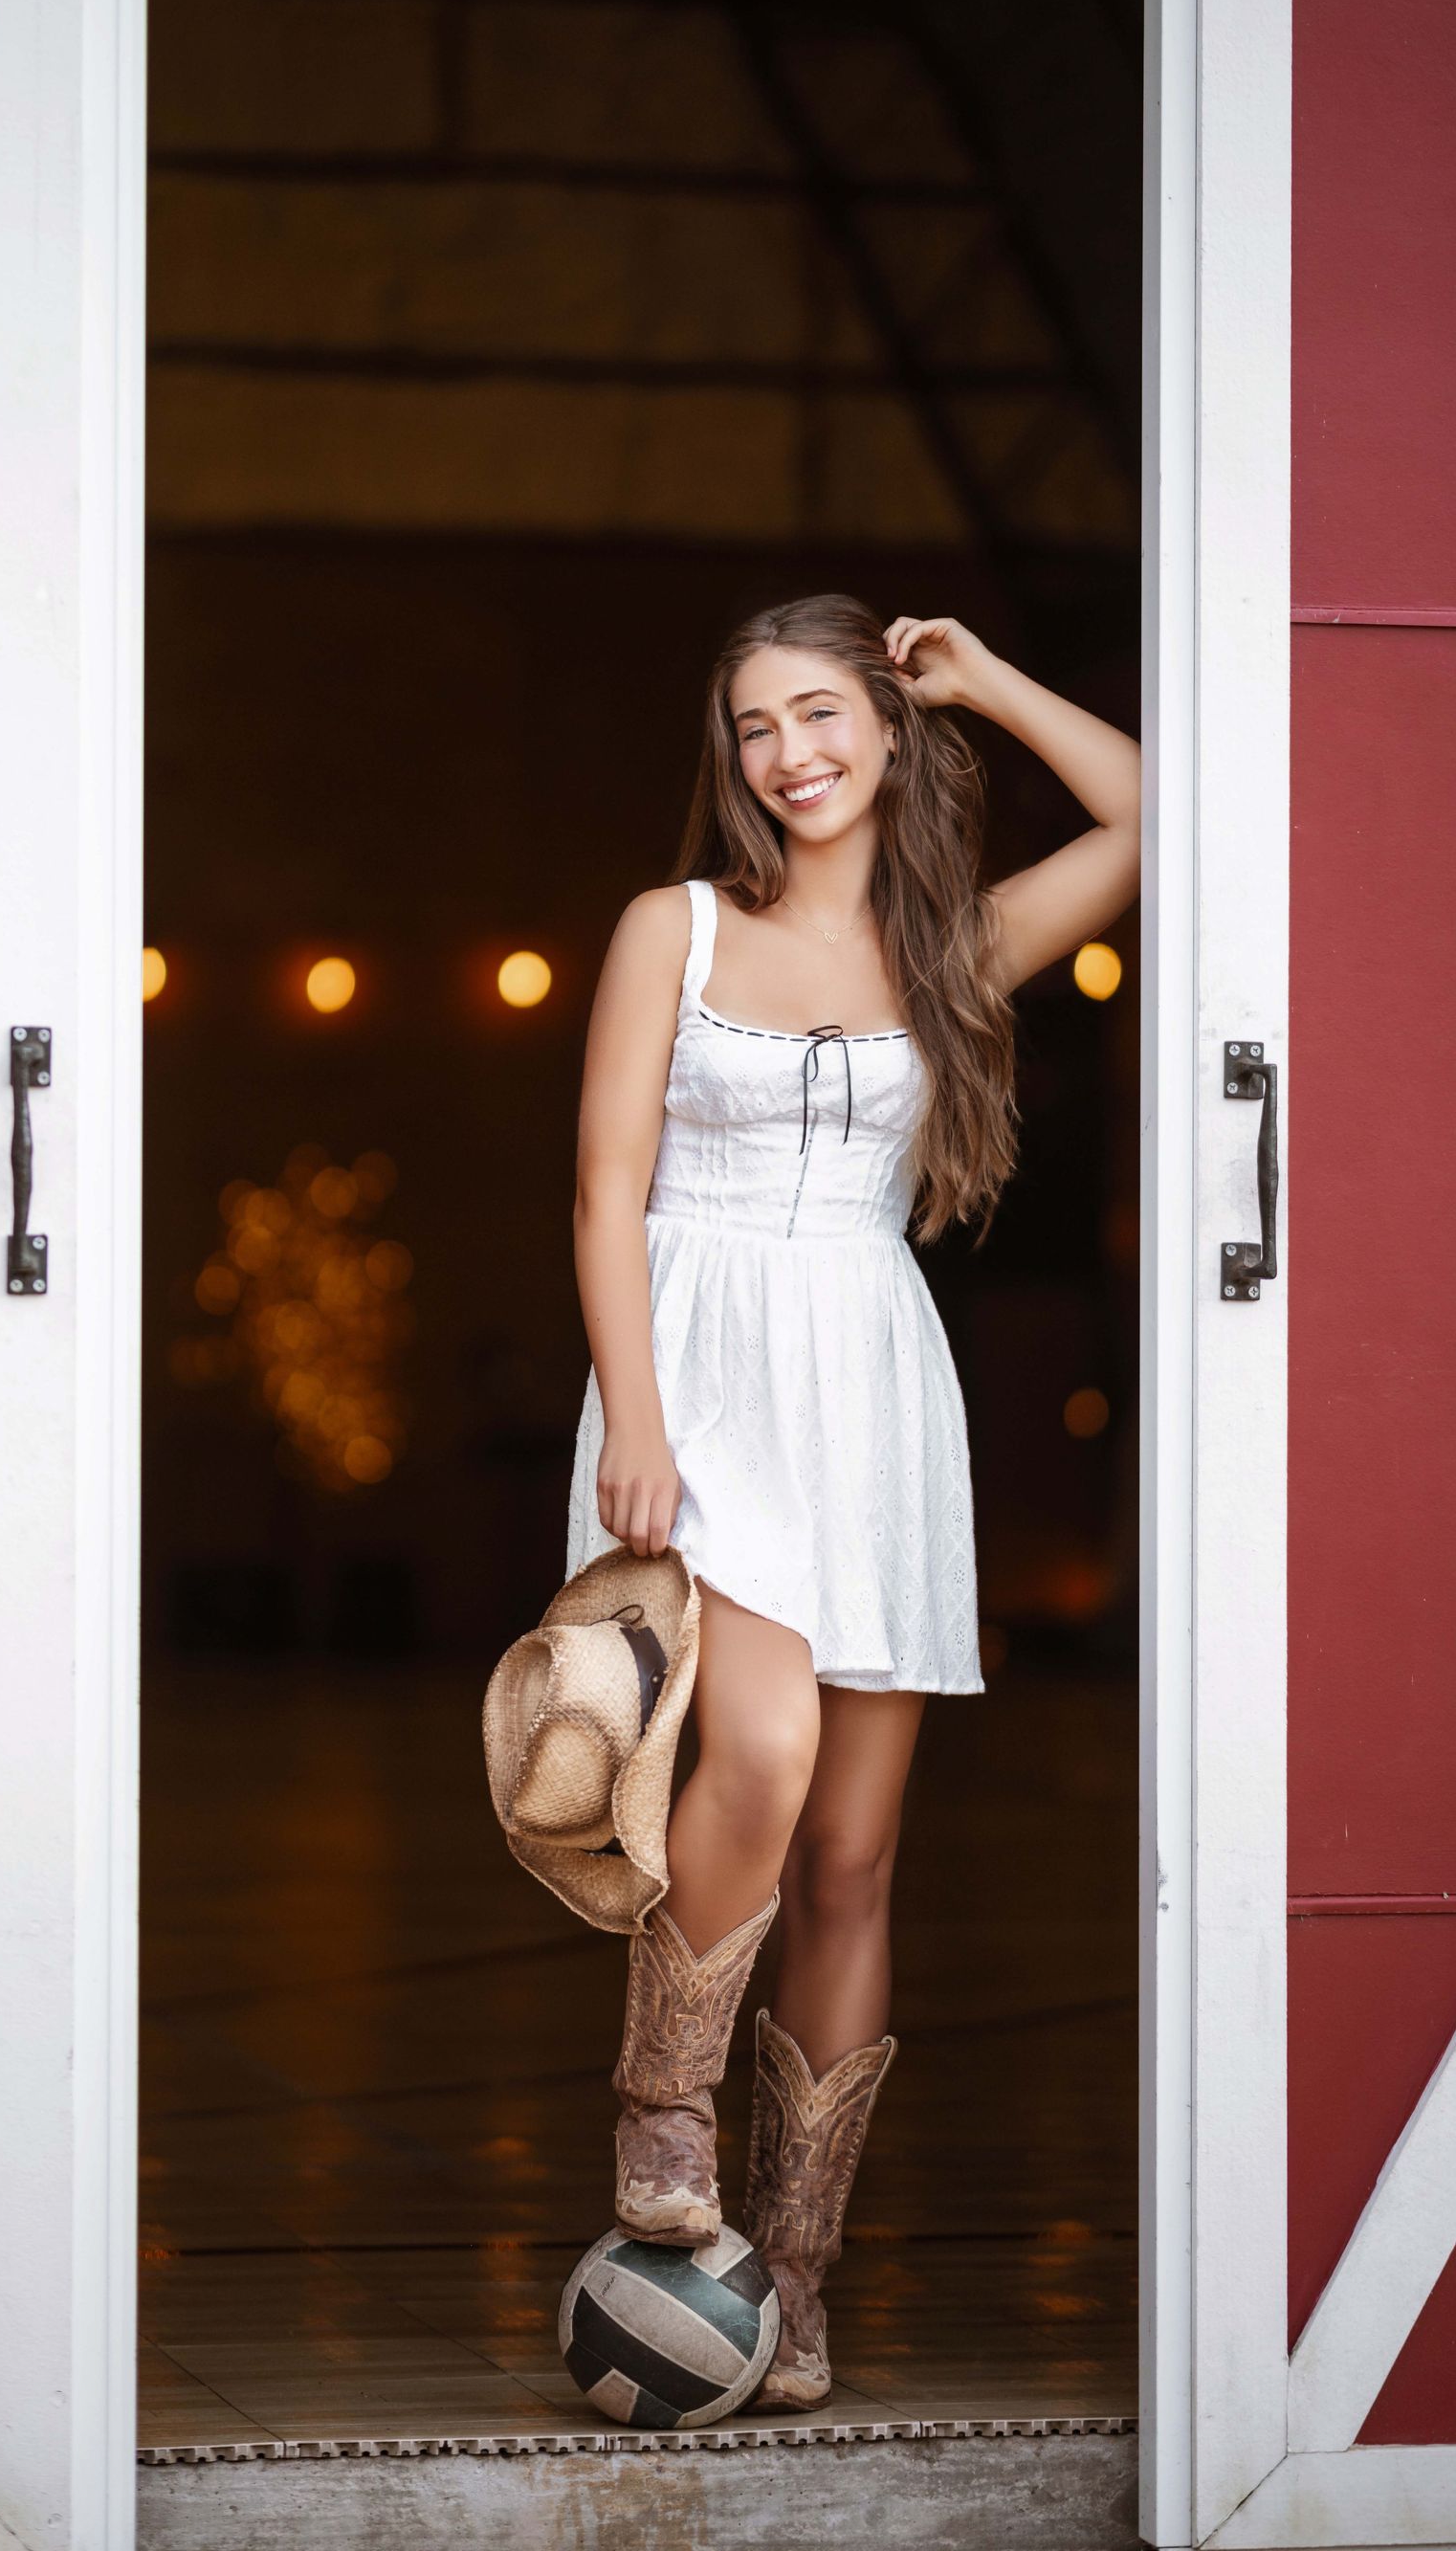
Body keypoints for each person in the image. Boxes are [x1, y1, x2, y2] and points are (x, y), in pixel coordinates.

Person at [565, 592, 1140, 2409]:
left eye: (824, 714)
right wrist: (635, 1425)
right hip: (700, 1381)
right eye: (756, 726)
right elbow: (601, 1193)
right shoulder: (676, 929)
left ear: (889, 735)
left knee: (855, 1855)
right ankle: (664, 2112)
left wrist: (988, 680)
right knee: (759, 1754)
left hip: (873, 1394)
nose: (792, 753)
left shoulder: (956, 945)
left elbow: (1147, 820)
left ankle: (794, 2278)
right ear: (728, 761)